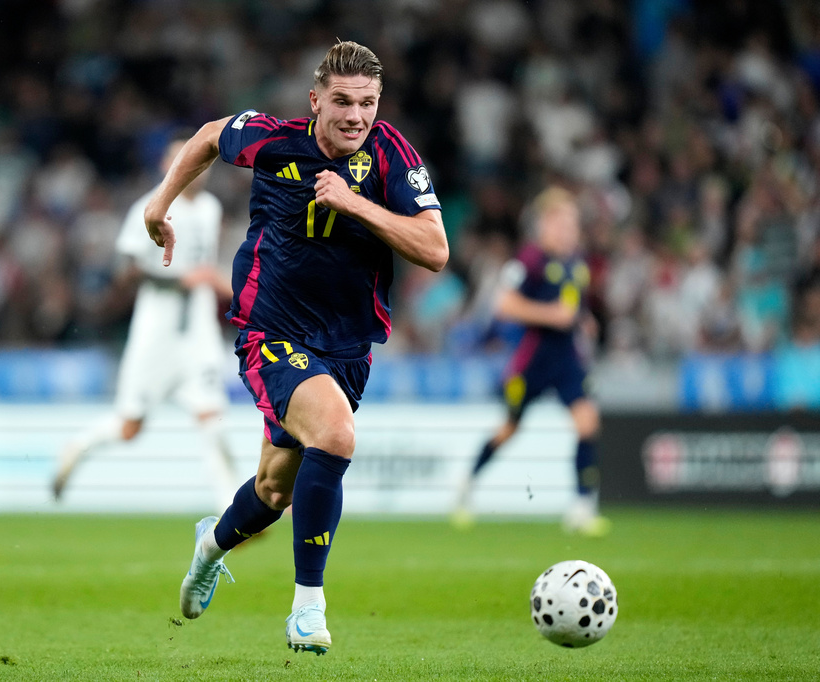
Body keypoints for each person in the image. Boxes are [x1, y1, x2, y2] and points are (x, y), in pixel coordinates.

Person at [143, 41, 448, 655]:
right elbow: (206, 135)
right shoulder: (272, 139)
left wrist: (354, 203)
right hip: (270, 334)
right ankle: (308, 607)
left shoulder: (393, 154)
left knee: (274, 492)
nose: (355, 116)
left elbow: (435, 249)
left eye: (367, 103)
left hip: (348, 346)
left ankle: (211, 546)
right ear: (316, 101)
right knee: (335, 436)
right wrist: (159, 205)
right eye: (342, 102)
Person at [51, 135, 238, 511]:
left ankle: (232, 511)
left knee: (212, 418)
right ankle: (79, 446)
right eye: (181, 159)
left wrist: (212, 280)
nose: (193, 168)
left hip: (198, 330)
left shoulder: (210, 208)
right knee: (129, 427)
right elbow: (126, 270)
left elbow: (205, 268)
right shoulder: (150, 206)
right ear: (165, 165)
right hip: (156, 331)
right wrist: (182, 278)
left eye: (200, 160)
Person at [452, 186, 610, 537]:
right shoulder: (528, 260)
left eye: (572, 223)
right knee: (509, 429)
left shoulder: (576, 264)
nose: (568, 230)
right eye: (562, 222)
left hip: (568, 358)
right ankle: (467, 484)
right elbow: (503, 305)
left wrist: (583, 319)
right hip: (533, 360)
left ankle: (583, 508)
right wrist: (550, 315)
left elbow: (572, 308)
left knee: (587, 422)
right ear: (545, 224)